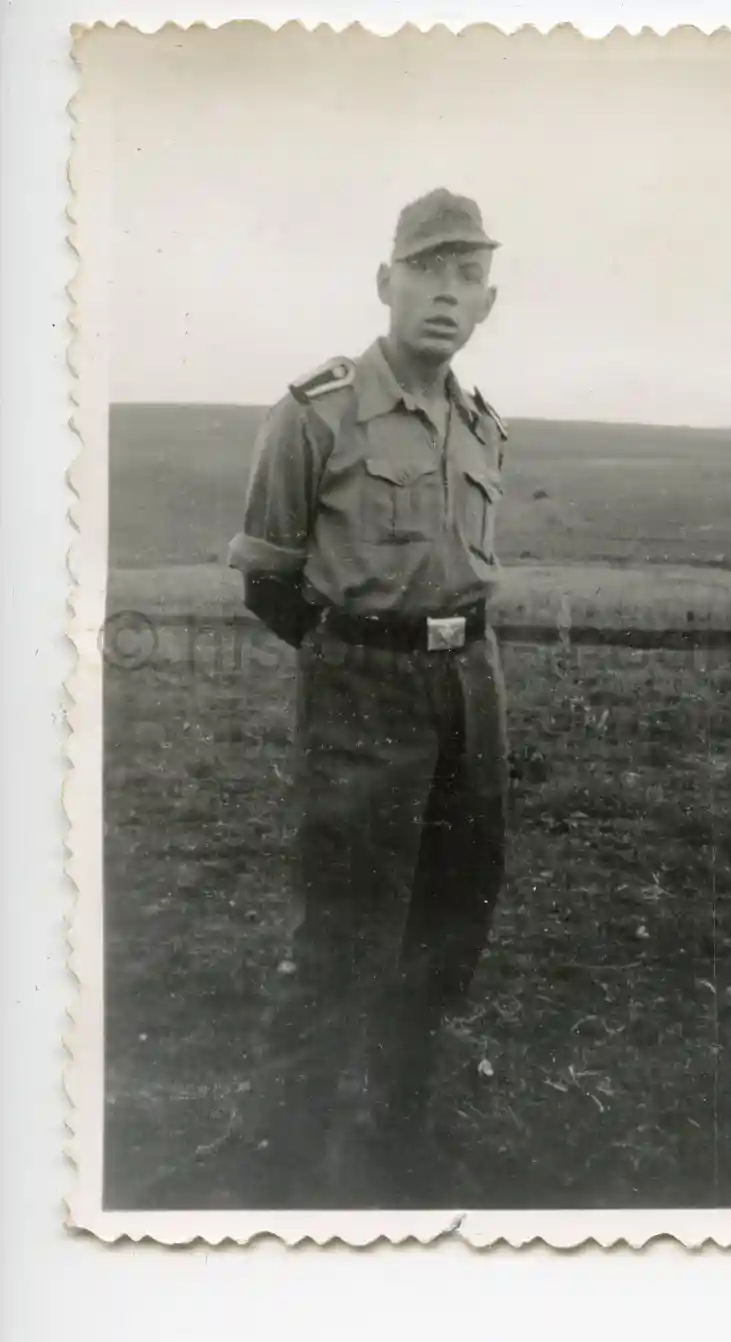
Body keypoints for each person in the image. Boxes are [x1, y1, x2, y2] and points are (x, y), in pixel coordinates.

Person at [225, 188, 512, 1205]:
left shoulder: (482, 427)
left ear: (486, 301)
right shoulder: (318, 411)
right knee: (342, 930)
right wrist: (358, 656)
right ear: (386, 283)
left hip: (473, 690)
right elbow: (267, 576)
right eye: (426, 270)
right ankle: (279, 1162)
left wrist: (439, 660)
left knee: (450, 916)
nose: (445, 292)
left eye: (466, 275)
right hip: (363, 686)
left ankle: (397, 1134)